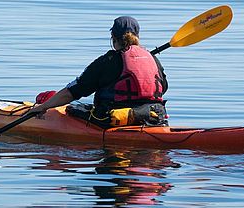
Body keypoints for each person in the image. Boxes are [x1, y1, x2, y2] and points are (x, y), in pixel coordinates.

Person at [27, 16, 168, 128]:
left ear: (113, 37)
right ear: (137, 36)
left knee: (72, 109)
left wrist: (43, 107)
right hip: (153, 117)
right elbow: (164, 88)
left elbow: (73, 92)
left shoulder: (107, 61)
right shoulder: (152, 59)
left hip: (113, 119)